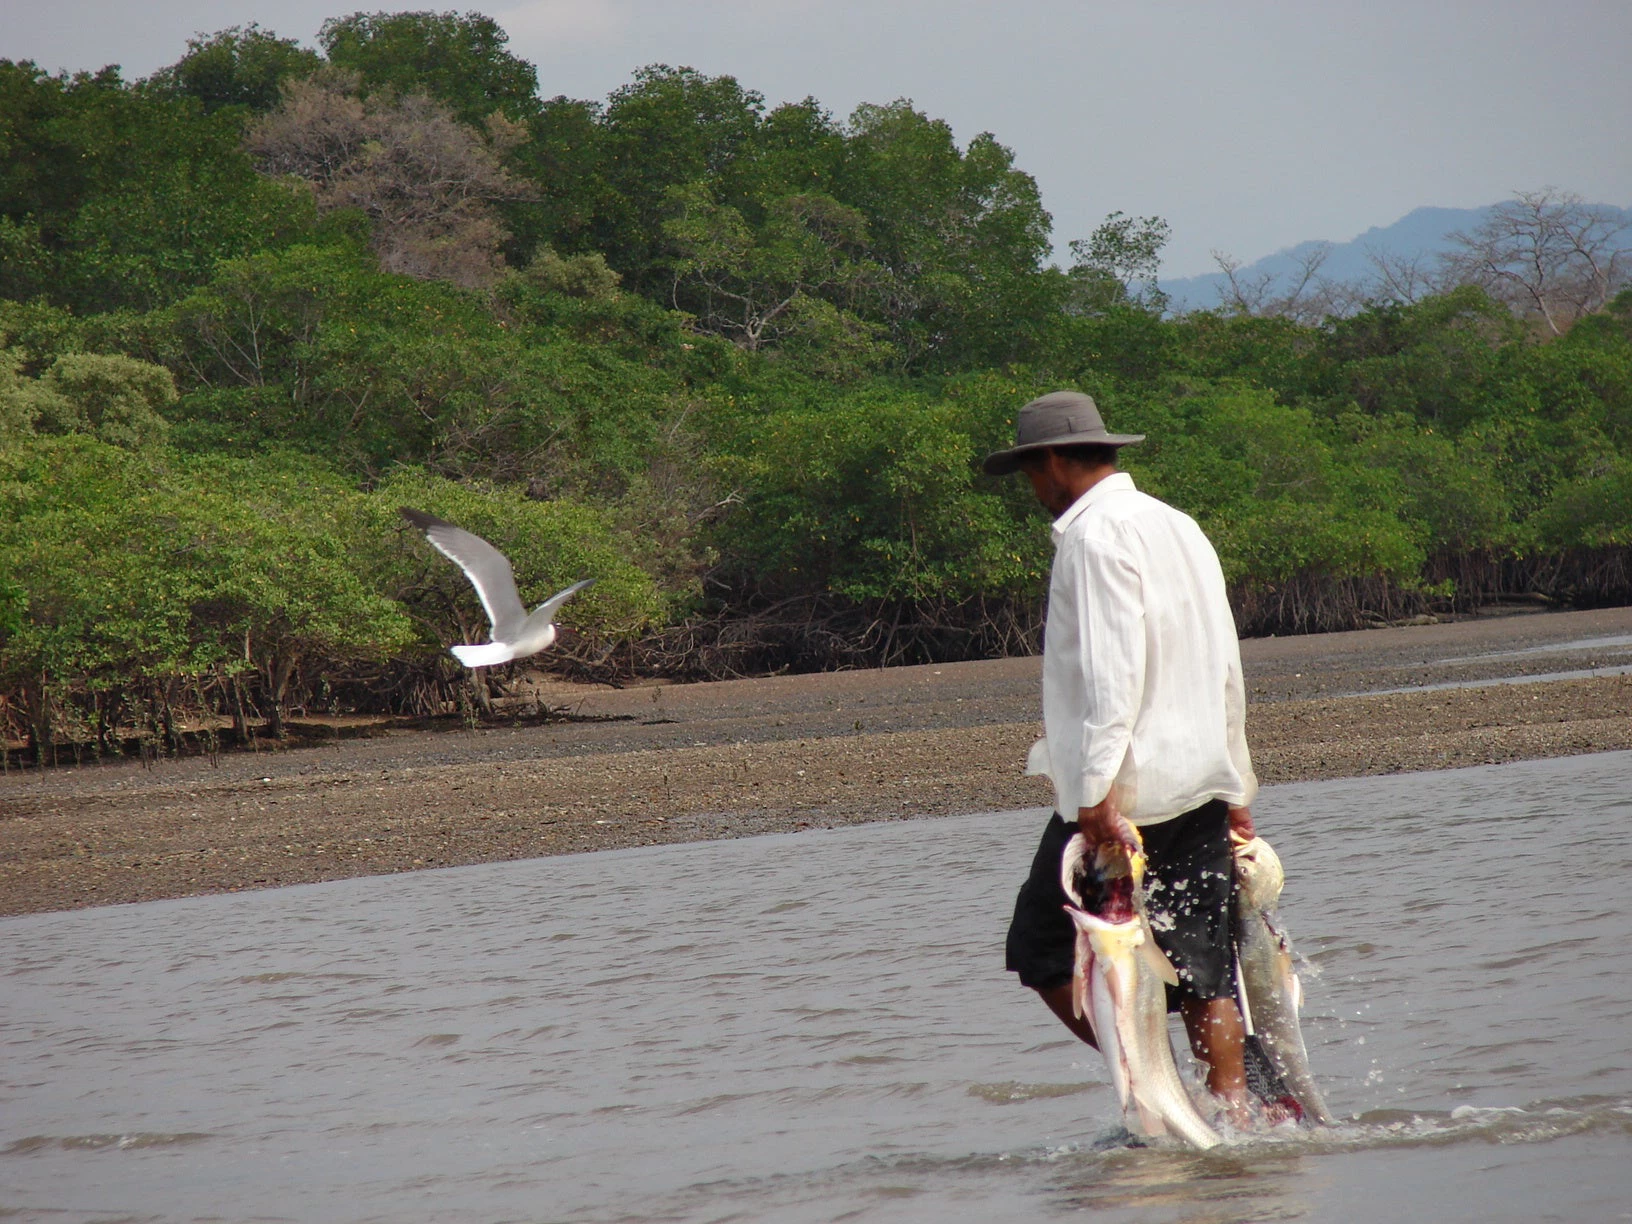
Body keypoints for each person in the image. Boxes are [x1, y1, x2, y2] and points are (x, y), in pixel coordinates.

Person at [985, 389, 1260, 1116]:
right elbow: (1224, 660)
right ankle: (1234, 1110)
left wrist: (1097, 800)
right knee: (1204, 968)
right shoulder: (1179, 525)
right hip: (1199, 780)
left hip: (1125, 796)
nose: (1032, 492)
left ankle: (1159, 1086)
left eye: (1028, 475)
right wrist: (1238, 786)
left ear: (1049, 462)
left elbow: (1113, 676)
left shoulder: (1093, 537)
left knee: (1040, 948)